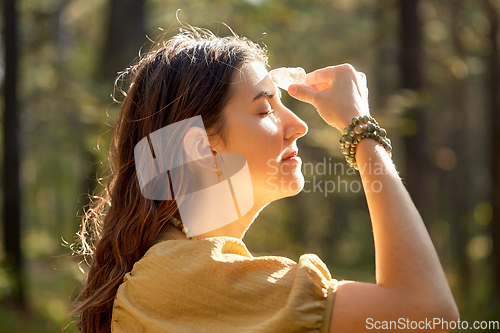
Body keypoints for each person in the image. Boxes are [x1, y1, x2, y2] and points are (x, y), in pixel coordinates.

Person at [71, 25, 459, 333]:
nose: (299, 125)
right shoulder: (187, 279)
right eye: (264, 111)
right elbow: (426, 313)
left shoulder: (183, 275)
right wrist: (362, 132)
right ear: (199, 147)